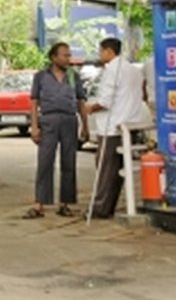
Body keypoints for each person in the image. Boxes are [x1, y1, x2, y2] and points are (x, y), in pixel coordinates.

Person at [23, 42, 89, 219]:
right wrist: (34, 126)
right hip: (48, 120)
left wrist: (85, 126)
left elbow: (80, 102)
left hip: (69, 120)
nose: (68, 58)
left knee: (69, 162)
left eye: (69, 55)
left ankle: (65, 204)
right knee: (45, 162)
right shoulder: (41, 76)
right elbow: (34, 102)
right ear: (54, 57)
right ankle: (40, 204)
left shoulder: (73, 76)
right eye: (65, 55)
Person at [85, 37, 145, 219]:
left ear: (109, 52)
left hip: (112, 127)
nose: (99, 55)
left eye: (101, 51)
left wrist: (90, 108)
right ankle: (107, 206)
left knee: (106, 170)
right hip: (130, 124)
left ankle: (100, 207)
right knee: (117, 170)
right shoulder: (134, 70)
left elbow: (105, 101)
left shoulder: (112, 70)